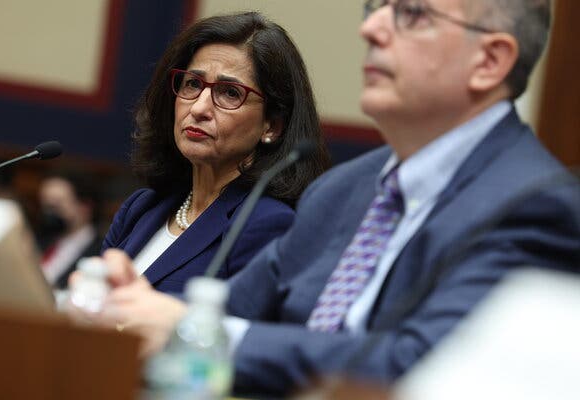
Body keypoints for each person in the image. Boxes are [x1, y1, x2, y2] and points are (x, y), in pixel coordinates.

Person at [83, 0, 580, 397]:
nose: (372, 28)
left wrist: (186, 329)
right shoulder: (344, 190)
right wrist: (139, 306)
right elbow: (230, 306)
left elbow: (419, 370)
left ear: (489, 61)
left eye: (412, 14)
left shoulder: (536, 207)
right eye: (378, 7)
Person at [101, 12, 330, 293]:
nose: (199, 108)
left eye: (230, 93)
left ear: (272, 126)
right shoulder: (141, 209)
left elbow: (234, 331)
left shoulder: (266, 225)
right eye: (193, 84)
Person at [37, 170, 103, 289]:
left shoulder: (101, 250)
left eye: (57, 204)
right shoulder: (40, 240)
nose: (50, 213)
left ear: (84, 207)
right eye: (46, 205)